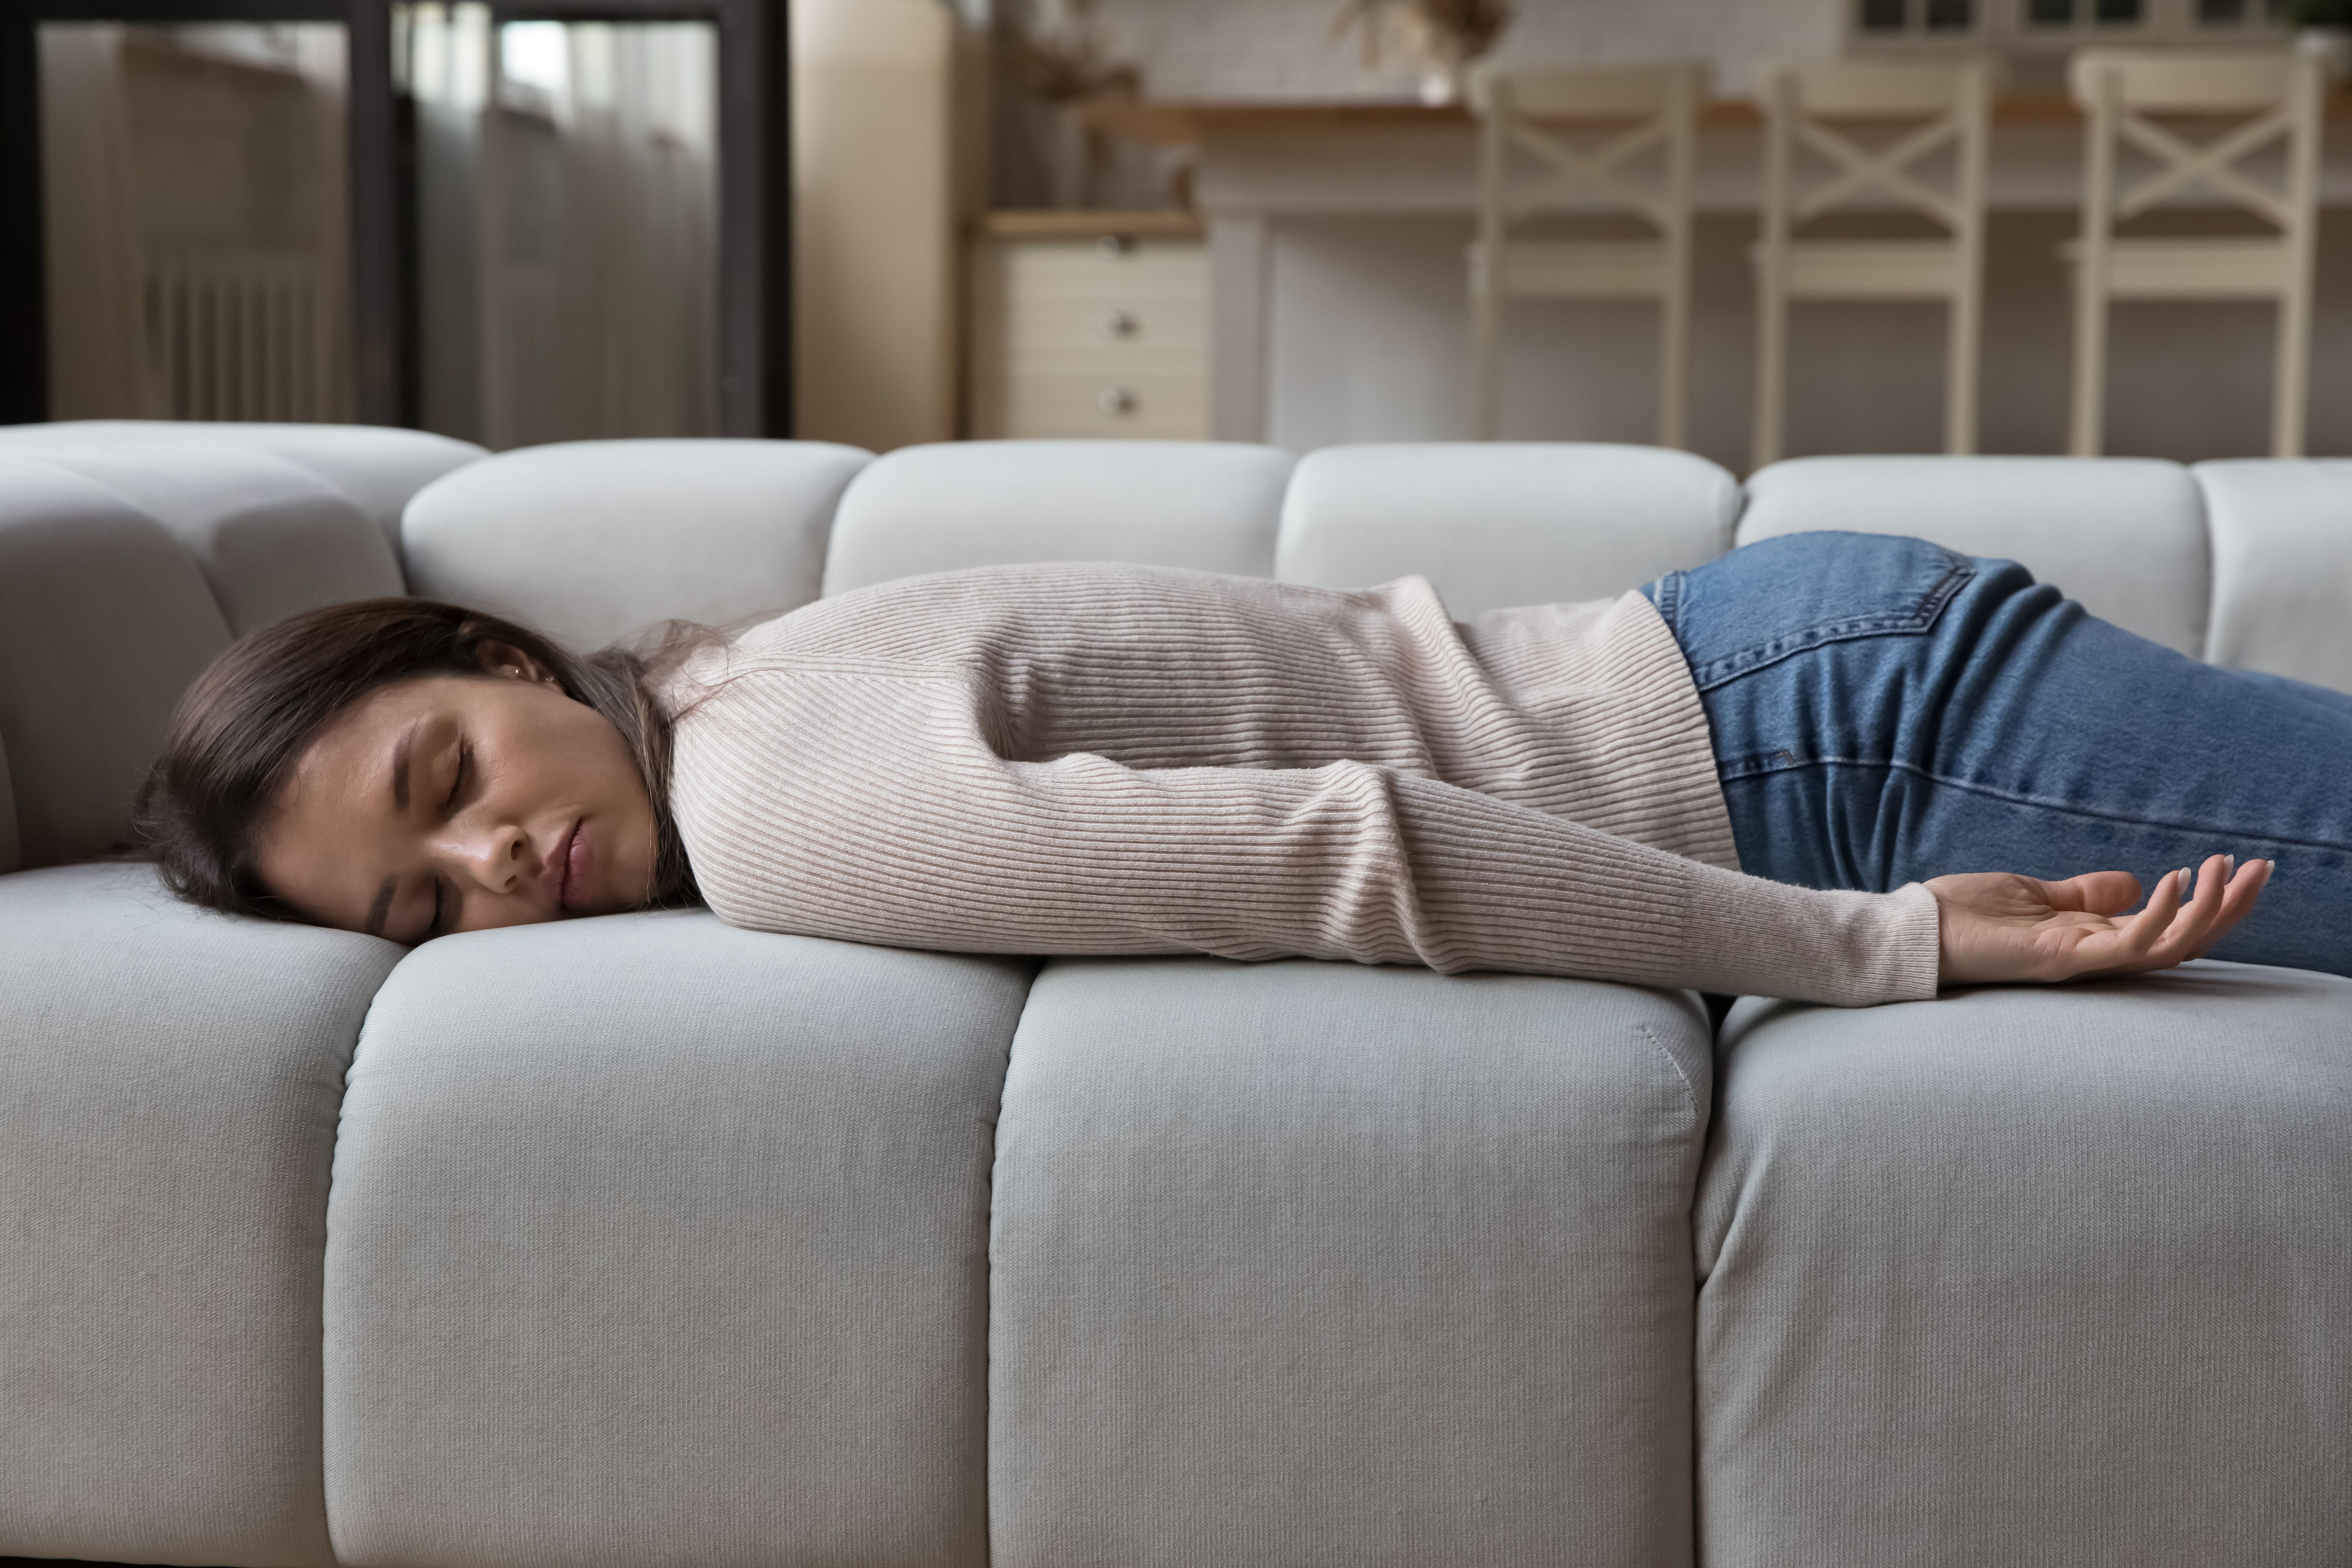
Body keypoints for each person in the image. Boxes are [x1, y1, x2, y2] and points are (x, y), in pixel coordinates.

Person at [135, 531, 2335, 1007]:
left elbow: (1349, 845)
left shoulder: (771, 800)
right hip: (1774, 672)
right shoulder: (741, 687)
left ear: (493, 653)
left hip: (1820, 751)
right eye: (422, 894)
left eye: (444, 770)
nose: (495, 852)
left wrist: (1871, 949)